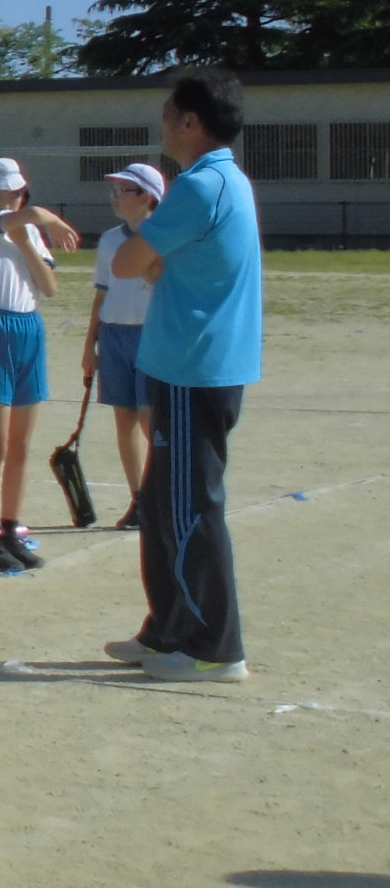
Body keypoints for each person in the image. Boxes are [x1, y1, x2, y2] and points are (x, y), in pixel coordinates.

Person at [108, 71, 262, 682]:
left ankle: (214, 648)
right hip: (192, 363)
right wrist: (154, 250)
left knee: (190, 510)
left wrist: (140, 229)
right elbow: (158, 268)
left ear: (191, 121)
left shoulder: (200, 184)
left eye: (170, 113)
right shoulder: (228, 178)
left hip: (193, 369)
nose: (164, 123)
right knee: (160, 502)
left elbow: (127, 262)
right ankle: (166, 630)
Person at [0, 158, 81, 573]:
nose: (8, 202)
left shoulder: (25, 230)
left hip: (29, 327)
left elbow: (49, 286)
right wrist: (49, 219)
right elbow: (27, 216)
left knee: (20, 444)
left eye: (14, 194)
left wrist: (29, 241)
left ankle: (11, 529)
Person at [85, 163, 165, 529]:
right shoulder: (109, 240)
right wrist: (90, 345)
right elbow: (102, 295)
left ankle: (161, 493)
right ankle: (139, 499)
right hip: (114, 335)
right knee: (125, 420)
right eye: (114, 191)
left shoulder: (163, 237)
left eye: (124, 191)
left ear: (148, 197)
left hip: (152, 335)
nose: (116, 198)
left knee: (151, 420)